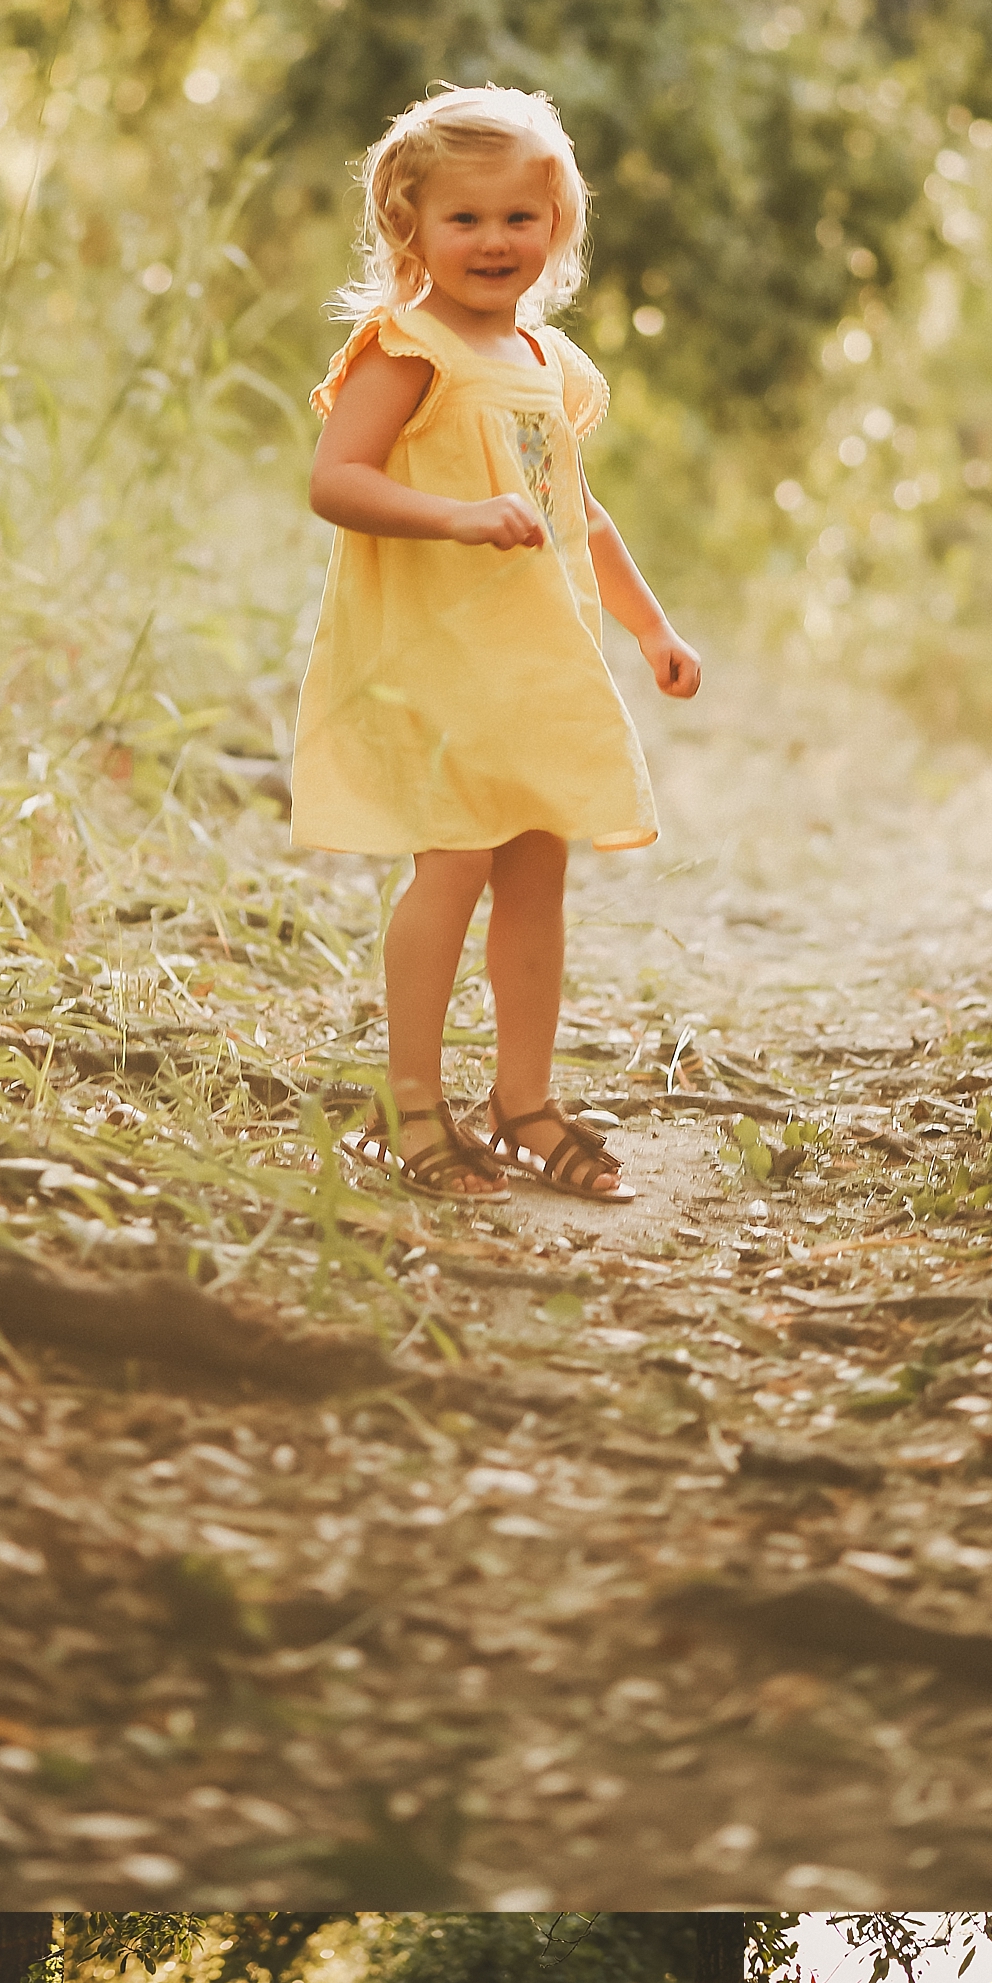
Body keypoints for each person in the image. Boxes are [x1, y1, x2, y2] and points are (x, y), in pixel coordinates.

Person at [292, 81, 701, 1203]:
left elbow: (582, 515)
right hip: (433, 653)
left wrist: (653, 628)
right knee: (455, 861)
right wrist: (460, 516)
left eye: (519, 217)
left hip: (532, 661)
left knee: (536, 866)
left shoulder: (545, 364)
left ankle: (522, 1104)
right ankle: (405, 1105)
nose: (492, 240)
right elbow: (338, 481)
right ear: (408, 226)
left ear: (557, 227)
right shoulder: (407, 348)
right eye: (462, 218)